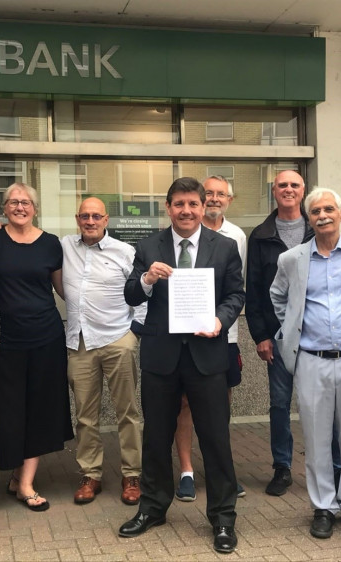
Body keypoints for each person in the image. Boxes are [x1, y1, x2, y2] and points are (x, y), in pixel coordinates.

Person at [118, 177, 245, 554]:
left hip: (207, 356)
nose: (186, 211)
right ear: (168, 207)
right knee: (156, 437)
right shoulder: (147, 247)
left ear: (204, 206)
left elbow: (236, 293)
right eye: (179, 204)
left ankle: (223, 518)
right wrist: (146, 278)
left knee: (216, 439)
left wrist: (222, 320)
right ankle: (153, 508)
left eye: (193, 203)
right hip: (162, 357)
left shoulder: (224, 248)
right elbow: (129, 293)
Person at [270, 187, 341, 540]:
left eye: (329, 208)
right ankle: (323, 507)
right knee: (315, 439)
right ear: (308, 217)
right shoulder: (292, 259)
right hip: (311, 361)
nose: (322, 215)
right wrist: (291, 331)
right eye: (315, 211)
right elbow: (277, 296)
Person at [245, 170, 341, 497]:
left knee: (324, 405)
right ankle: (282, 467)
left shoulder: (318, 229)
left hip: (317, 336)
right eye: (282, 184)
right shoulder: (260, 236)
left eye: (294, 185)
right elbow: (254, 291)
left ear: (303, 192)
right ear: (274, 191)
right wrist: (261, 335)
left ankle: (330, 467)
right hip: (279, 337)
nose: (288, 189)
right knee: (279, 404)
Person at [0, 182, 74, 512]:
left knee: (39, 407)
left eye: (26, 202)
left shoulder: (50, 244)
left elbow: (64, 290)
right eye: (13, 202)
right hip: (4, 340)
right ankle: (16, 474)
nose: (20, 207)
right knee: (10, 409)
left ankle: (25, 483)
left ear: (35, 209)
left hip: (45, 337)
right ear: (4, 208)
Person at [62, 197, 145, 506]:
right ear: (77, 218)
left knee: (128, 412)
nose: (91, 221)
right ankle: (90, 474)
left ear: (106, 219)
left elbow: (143, 293)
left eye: (97, 216)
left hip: (116, 339)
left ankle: (132, 474)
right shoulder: (65, 246)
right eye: (85, 215)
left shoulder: (125, 252)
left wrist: (133, 333)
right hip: (80, 342)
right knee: (84, 414)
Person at [174, 175, 246, 502]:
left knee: (220, 407)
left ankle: (221, 471)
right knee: (185, 405)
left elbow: (237, 289)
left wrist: (221, 321)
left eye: (220, 194)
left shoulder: (236, 238)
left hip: (223, 337)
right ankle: (187, 471)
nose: (214, 199)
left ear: (227, 200)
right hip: (179, 339)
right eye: (210, 193)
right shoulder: (173, 239)